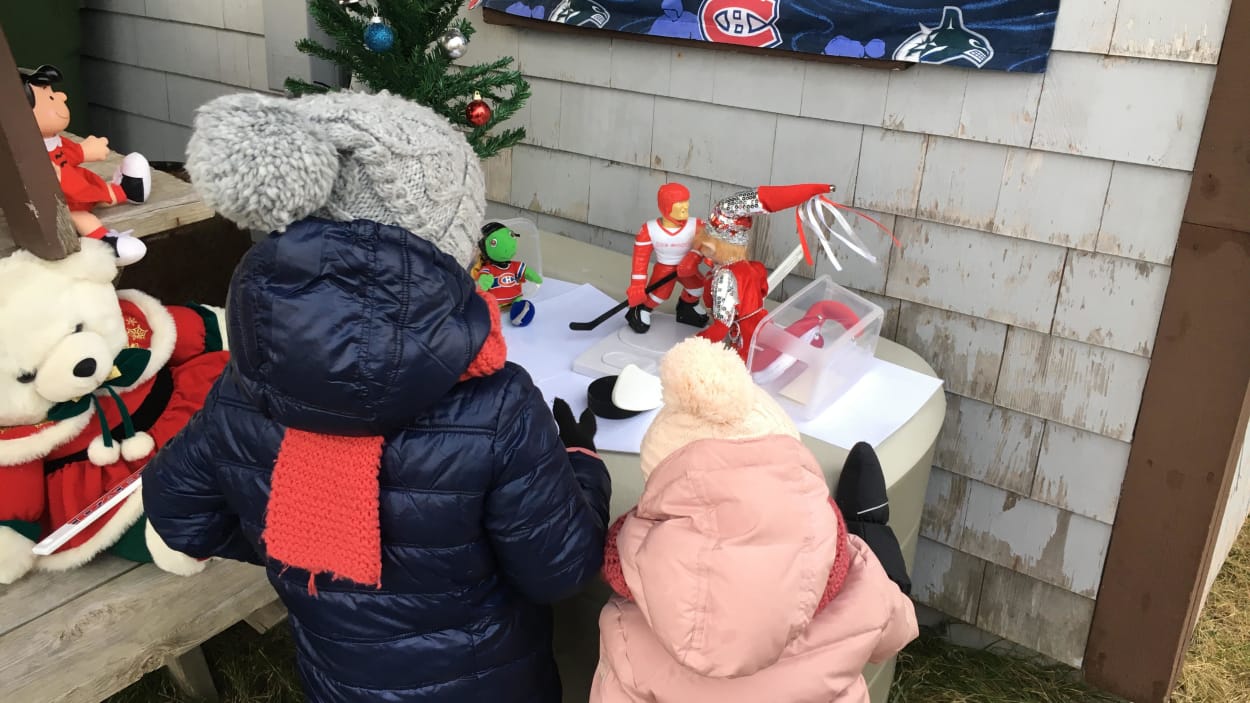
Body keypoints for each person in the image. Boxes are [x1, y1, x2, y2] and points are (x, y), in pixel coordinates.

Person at [140, 90, 612, 703]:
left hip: (338, 682)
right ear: (448, 244)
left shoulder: (246, 385)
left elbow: (179, 513)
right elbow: (559, 570)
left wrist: (291, 548)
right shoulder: (495, 403)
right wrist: (583, 466)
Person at [592, 337, 917, 703]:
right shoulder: (861, 590)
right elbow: (901, 627)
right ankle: (868, 523)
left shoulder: (625, 630)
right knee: (886, 572)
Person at [625, 183, 710, 333]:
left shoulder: (695, 224)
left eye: (686, 202)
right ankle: (642, 309)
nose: (685, 207)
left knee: (697, 287)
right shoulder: (649, 229)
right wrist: (637, 284)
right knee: (660, 295)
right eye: (679, 204)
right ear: (666, 206)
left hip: (686, 266)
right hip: (664, 268)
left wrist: (694, 256)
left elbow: (708, 242)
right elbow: (640, 259)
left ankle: (687, 307)